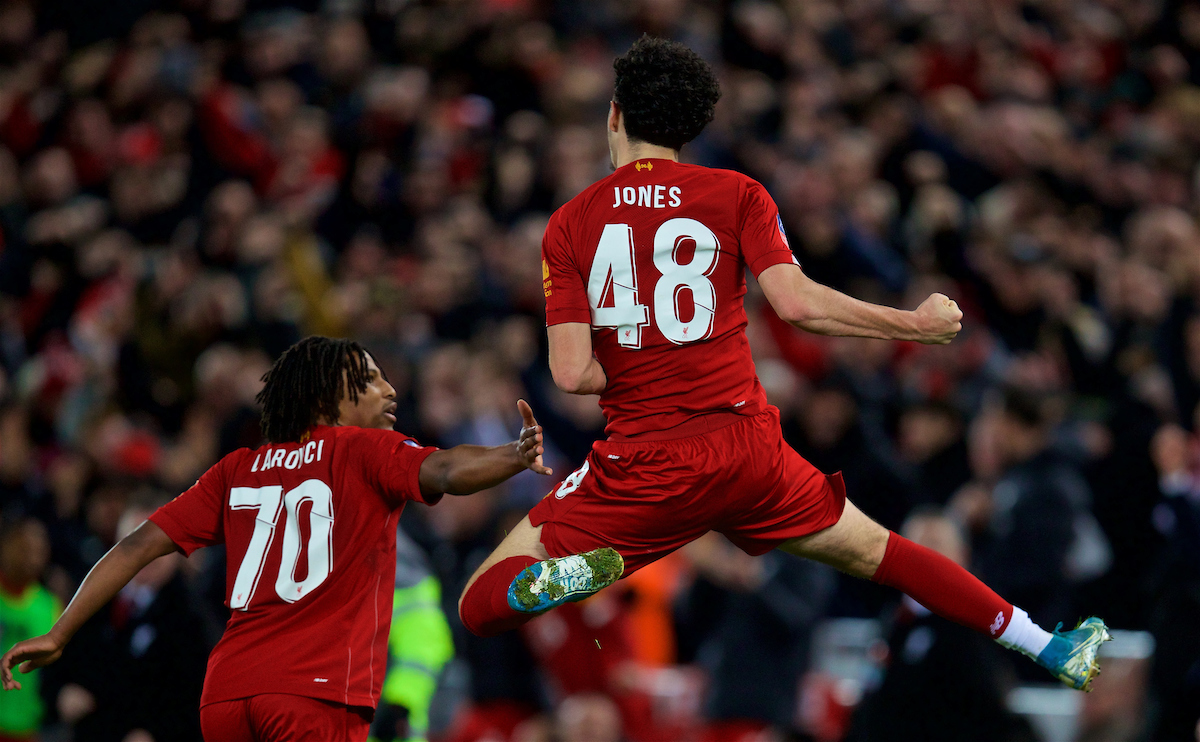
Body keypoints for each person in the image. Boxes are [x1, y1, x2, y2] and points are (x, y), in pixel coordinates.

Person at [456, 36, 1109, 691]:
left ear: (614, 115)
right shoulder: (738, 194)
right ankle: (1047, 646)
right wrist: (914, 324)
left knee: (481, 601)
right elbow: (796, 305)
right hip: (748, 454)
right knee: (887, 554)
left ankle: (563, 575)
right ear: (690, 126)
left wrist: (638, 364)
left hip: (646, 466)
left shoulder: (570, 224)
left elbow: (570, 375)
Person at [1, 336, 553, 742]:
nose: (388, 390)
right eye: (368, 379)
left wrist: (60, 632)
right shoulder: (362, 450)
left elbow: (136, 546)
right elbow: (448, 471)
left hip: (226, 697)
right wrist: (515, 454)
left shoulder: (237, 469)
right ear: (323, 399)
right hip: (312, 695)